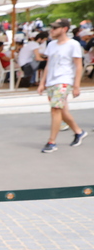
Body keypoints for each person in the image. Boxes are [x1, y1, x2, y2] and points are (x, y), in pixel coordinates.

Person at [37, 18, 87, 153]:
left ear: (64, 29)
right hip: (51, 81)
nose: (51, 31)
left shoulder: (73, 44)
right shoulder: (51, 45)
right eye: (51, 28)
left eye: (55, 28)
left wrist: (76, 86)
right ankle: (78, 131)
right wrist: (42, 83)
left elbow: (78, 65)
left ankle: (51, 141)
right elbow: (48, 65)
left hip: (64, 80)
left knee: (55, 110)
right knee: (62, 110)